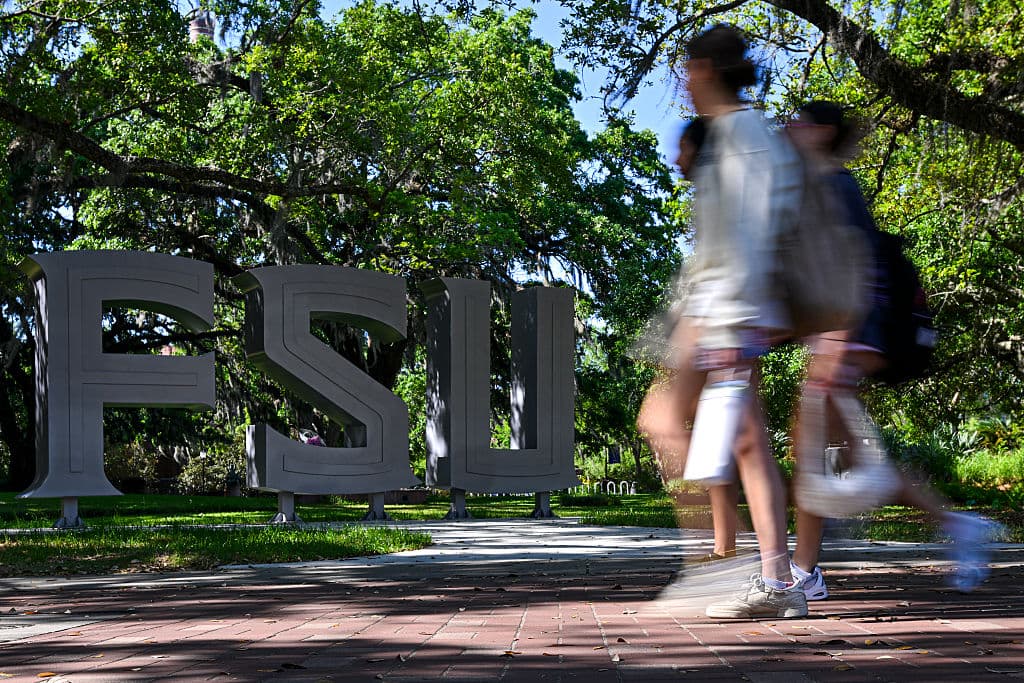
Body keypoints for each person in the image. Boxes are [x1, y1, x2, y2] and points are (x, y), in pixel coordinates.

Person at [787, 101, 1000, 598]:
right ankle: (826, 541)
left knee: (823, 448)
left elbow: (856, 268)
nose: (788, 128)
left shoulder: (835, 186)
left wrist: (839, 341)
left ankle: (813, 562)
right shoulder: (819, 185)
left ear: (820, 133)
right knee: (826, 450)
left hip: (858, 329)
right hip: (846, 329)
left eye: (797, 121)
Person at [637, 24, 807, 619]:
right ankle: (766, 579)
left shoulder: (745, 136)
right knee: (743, 441)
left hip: (727, 312)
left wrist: (727, 324)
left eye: (685, 70)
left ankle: (733, 571)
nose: (682, 83)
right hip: (717, 310)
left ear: (705, 69)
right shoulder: (734, 135)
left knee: (669, 420)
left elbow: (754, 237)